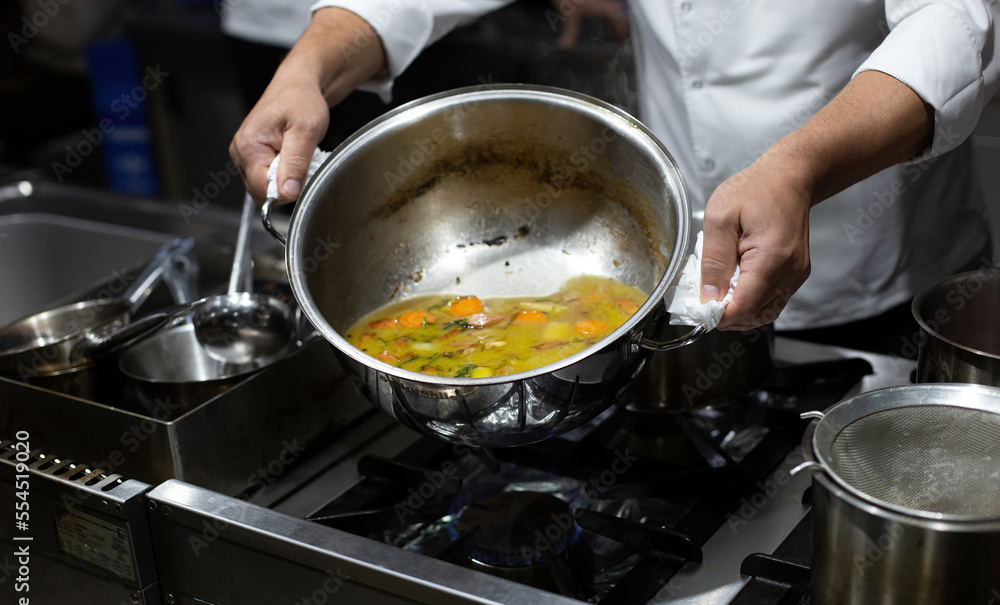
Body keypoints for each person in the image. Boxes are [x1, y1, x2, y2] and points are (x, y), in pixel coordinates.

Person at [229, 0, 1000, 351]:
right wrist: (311, 64)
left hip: (881, 275)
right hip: (672, 265)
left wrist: (798, 167)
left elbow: (956, 26)